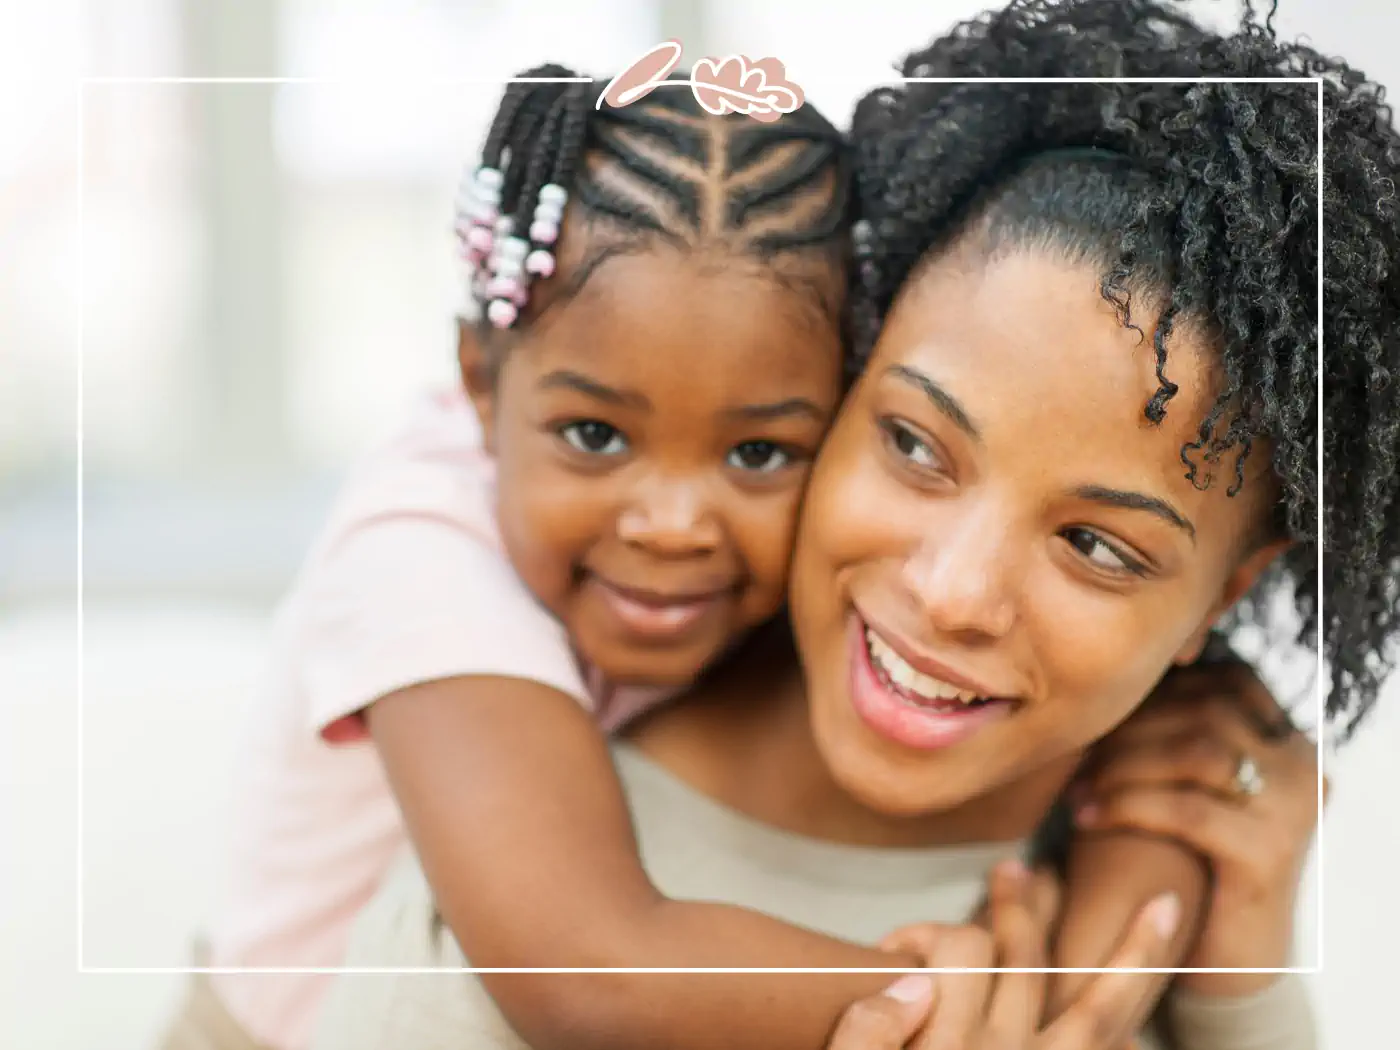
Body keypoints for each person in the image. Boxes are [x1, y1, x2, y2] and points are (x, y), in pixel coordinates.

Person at [307, 1, 1398, 1048]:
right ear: (844, 377)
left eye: (1095, 546)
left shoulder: (1170, 839)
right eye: (916, 445)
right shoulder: (513, 833)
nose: (949, 593)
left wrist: (1236, 981)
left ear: (1224, 590)